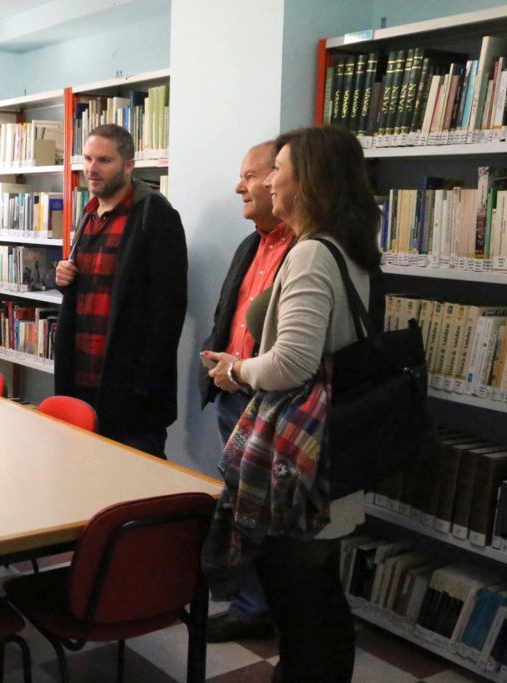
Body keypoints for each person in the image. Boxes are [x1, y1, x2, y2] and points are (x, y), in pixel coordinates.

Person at [203, 125, 382, 682]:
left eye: (276, 168)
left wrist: (233, 371)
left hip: (299, 458)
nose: (267, 180)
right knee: (321, 599)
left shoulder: (309, 254)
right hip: (333, 450)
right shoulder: (349, 249)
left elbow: (291, 364)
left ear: (307, 182)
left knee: (299, 601)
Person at [197, 141, 293, 642]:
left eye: (252, 175)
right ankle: (246, 602)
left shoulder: (306, 251)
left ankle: (260, 608)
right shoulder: (250, 243)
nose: (241, 187)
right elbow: (227, 310)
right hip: (232, 394)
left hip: (272, 403)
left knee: (265, 513)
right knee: (239, 505)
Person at [54, 124, 187, 458]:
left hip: (130, 386)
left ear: (129, 166)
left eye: (104, 160)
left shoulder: (155, 215)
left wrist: (146, 383)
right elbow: (92, 290)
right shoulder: (88, 215)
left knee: (139, 483)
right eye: (87, 159)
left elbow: (169, 308)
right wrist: (65, 279)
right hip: (83, 375)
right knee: (86, 474)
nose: (92, 169)